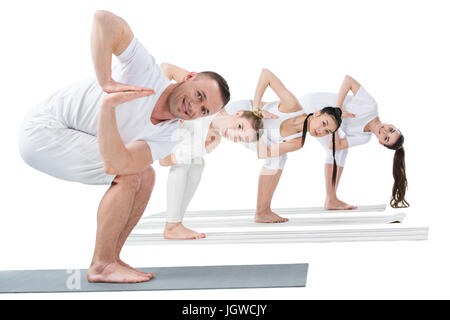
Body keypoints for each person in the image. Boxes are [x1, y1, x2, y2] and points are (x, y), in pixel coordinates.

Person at [18, 10, 230, 283]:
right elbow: (104, 20)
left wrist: (107, 108)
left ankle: (111, 259)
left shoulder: (168, 134)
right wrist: (106, 82)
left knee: (145, 173)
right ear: (189, 77)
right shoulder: (145, 72)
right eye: (199, 95)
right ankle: (102, 264)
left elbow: (118, 163)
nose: (194, 108)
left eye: (204, 110)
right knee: (131, 174)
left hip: (72, 135)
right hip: (43, 131)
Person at [237, 73, 409, 223]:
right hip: (315, 106)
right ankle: (331, 199)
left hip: (326, 123)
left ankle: (331, 199)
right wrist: (339, 109)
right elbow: (348, 80)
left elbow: (336, 145)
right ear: (391, 124)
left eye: (386, 137)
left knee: (337, 151)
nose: (385, 131)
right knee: (279, 145)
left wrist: (335, 128)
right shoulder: (371, 106)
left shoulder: (364, 137)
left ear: (380, 142)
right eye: (390, 129)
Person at [158, 63, 267, 240]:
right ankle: (173, 225)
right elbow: (167, 68)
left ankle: (174, 223)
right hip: (151, 118)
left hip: (160, 140)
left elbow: (166, 160)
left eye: (239, 138)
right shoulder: (212, 100)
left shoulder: (212, 141)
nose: (232, 135)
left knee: (197, 164)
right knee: (189, 161)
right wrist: (154, 100)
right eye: (239, 127)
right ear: (238, 114)